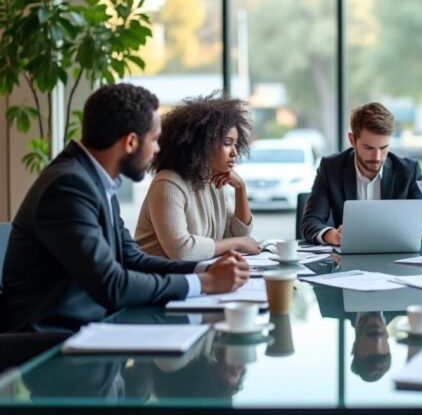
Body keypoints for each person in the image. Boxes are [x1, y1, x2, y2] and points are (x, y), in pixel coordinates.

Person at [0, 84, 250, 333]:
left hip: (88, 331)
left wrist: (206, 268)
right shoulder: (68, 186)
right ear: (131, 142)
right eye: (153, 139)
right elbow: (112, 284)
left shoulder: (94, 180)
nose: (158, 149)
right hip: (48, 344)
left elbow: (132, 259)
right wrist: (204, 282)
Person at [134, 95, 260, 260]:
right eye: (227, 143)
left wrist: (240, 189)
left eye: (236, 145)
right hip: (157, 278)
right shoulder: (168, 183)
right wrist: (238, 243)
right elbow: (181, 251)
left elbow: (238, 233)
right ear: (202, 144)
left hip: (193, 274)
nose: (234, 152)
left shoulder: (212, 180)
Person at [301, 102, 422, 245]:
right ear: (352, 140)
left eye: (383, 148)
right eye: (368, 148)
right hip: (345, 262)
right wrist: (333, 235)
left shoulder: (408, 171)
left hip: (394, 261)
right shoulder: (331, 168)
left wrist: (382, 234)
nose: (377, 157)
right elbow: (310, 222)